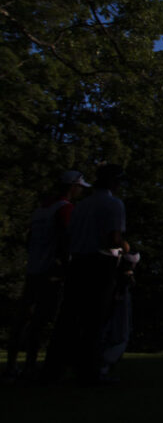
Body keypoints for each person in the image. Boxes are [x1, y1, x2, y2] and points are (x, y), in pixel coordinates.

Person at [43, 164, 129, 384]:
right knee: (95, 319)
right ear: (112, 182)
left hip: (78, 262)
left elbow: (68, 237)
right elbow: (113, 238)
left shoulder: (81, 206)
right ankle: (89, 370)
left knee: (69, 317)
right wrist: (127, 248)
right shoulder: (113, 204)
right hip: (100, 263)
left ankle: (53, 369)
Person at [3, 171, 88, 380]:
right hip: (50, 270)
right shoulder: (65, 208)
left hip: (34, 267)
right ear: (72, 186)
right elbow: (66, 238)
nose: (80, 191)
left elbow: (30, 238)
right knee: (40, 320)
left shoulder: (41, 209)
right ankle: (30, 365)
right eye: (79, 187)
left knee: (23, 318)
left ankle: (12, 364)